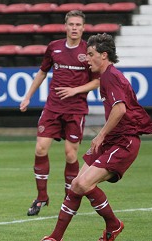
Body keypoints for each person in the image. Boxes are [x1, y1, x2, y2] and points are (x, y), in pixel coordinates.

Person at [33, 33, 152, 241]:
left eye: (90, 55)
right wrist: (103, 138)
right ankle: (55, 238)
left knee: (83, 183)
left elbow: (120, 109)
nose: (86, 59)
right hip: (112, 140)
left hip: (124, 142)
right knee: (75, 185)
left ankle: (113, 223)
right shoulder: (106, 76)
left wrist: (100, 136)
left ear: (104, 55)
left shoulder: (112, 77)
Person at [19, 10, 100, 216]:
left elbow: (97, 80)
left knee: (70, 154)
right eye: (71, 24)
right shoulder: (54, 47)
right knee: (40, 149)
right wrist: (28, 96)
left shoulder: (89, 51)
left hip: (75, 110)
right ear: (65, 26)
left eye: (78, 25)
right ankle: (41, 197)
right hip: (52, 107)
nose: (74, 28)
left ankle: (69, 197)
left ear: (83, 28)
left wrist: (75, 90)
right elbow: (43, 71)